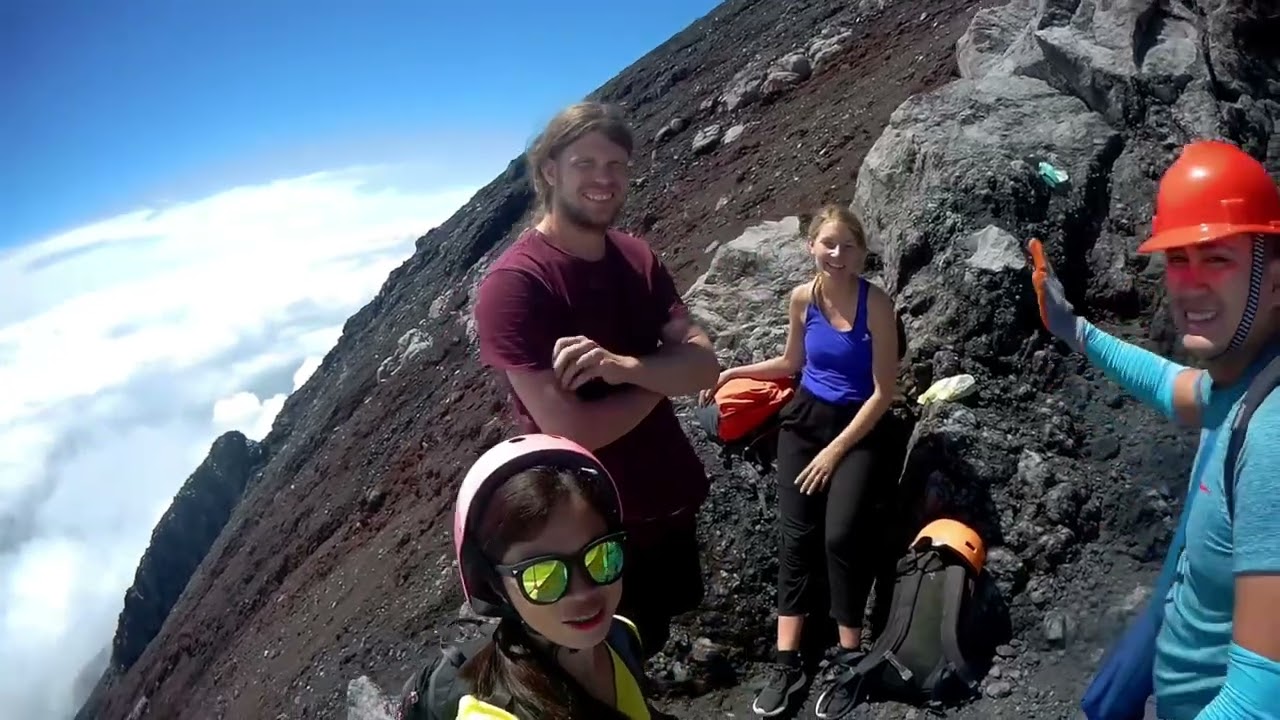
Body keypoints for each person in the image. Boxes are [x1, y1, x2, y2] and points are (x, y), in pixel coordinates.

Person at [1028, 139, 1280, 720]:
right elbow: (1173, 386)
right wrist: (1076, 330)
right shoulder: (1241, 383)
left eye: (1217, 257)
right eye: (1177, 259)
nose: (1189, 285)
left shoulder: (1270, 439)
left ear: (1273, 279)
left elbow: (1258, 703)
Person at [472, 101, 721, 659]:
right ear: (550, 171)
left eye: (618, 165)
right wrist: (665, 374)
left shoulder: (636, 257)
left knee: (650, 635)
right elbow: (572, 428)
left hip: (670, 493)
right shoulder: (516, 286)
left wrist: (625, 367)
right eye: (586, 163)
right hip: (587, 535)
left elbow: (706, 366)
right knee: (599, 660)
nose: (605, 179)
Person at [703, 205, 901, 718]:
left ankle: (849, 655)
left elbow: (885, 392)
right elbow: (793, 364)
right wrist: (729, 372)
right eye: (828, 244)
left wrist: (837, 452)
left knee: (839, 536)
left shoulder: (876, 304)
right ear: (811, 245)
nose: (838, 255)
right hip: (805, 420)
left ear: (862, 251)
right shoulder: (803, 298)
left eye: (849, 246)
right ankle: (787, 662)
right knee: (796, 534)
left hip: (859, 426)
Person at [449, 433, 668, 720]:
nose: (584, 594)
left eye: (602, 556)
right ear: (495, 586)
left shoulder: (620, 635)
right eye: (542, 577)